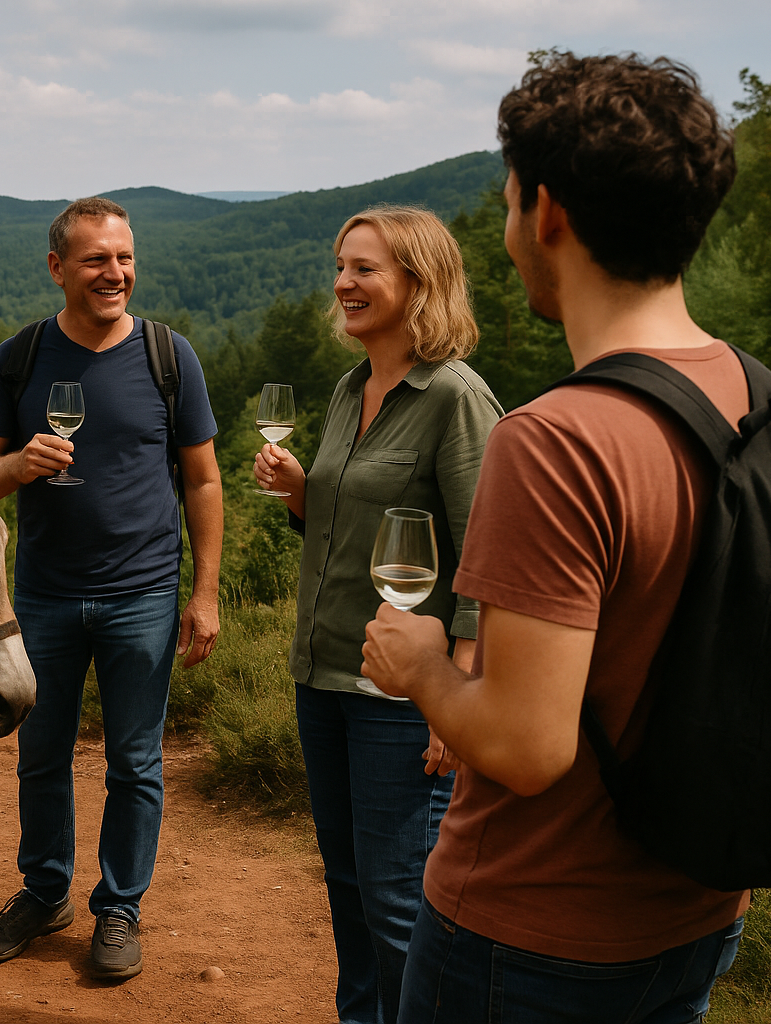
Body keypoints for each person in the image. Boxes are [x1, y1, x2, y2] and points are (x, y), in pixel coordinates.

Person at [360, 52, 748, 1023]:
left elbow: (527, 747)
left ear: (550, 215)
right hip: (699, 908)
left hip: (529, 931)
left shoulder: (554, 440)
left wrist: (421, 666)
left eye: (508, 203)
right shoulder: (753, 395)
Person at [252, 206, 501, 1023]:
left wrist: (456, 698)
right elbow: (347, 525)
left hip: (404, 699)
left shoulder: (456, 398)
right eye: (340, 266)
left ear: (419, 283)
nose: (343, 283)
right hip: (323, 675)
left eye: (364, 269)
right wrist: (301, 492)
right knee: (350, 891)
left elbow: (487, 560)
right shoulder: (350, 387)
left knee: (400, 906)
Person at [0, 197, 223, 981]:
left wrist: (205, 592)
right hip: (42, 598)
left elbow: (203, 480)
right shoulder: (20, 357)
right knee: (39, 755)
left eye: (124, 257)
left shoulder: (168, 356)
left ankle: (119, 907)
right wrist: (18, 466)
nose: (115, 273)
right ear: (58, 268)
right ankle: (46, 893)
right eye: (96, 260)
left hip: (142, 597)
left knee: (134, 762)